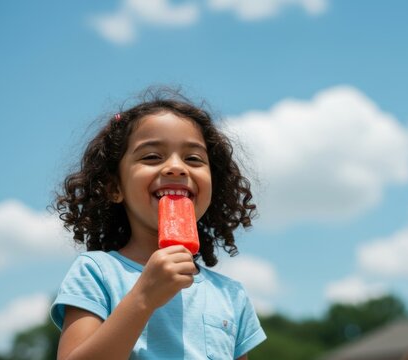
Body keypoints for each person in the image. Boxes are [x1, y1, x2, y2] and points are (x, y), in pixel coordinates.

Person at [50, 87, 266, 359]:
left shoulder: (231, 295)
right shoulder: (96, 273)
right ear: (114, 187)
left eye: (193, 159)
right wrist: (143, 298)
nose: (176, 167)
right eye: (151, 156)